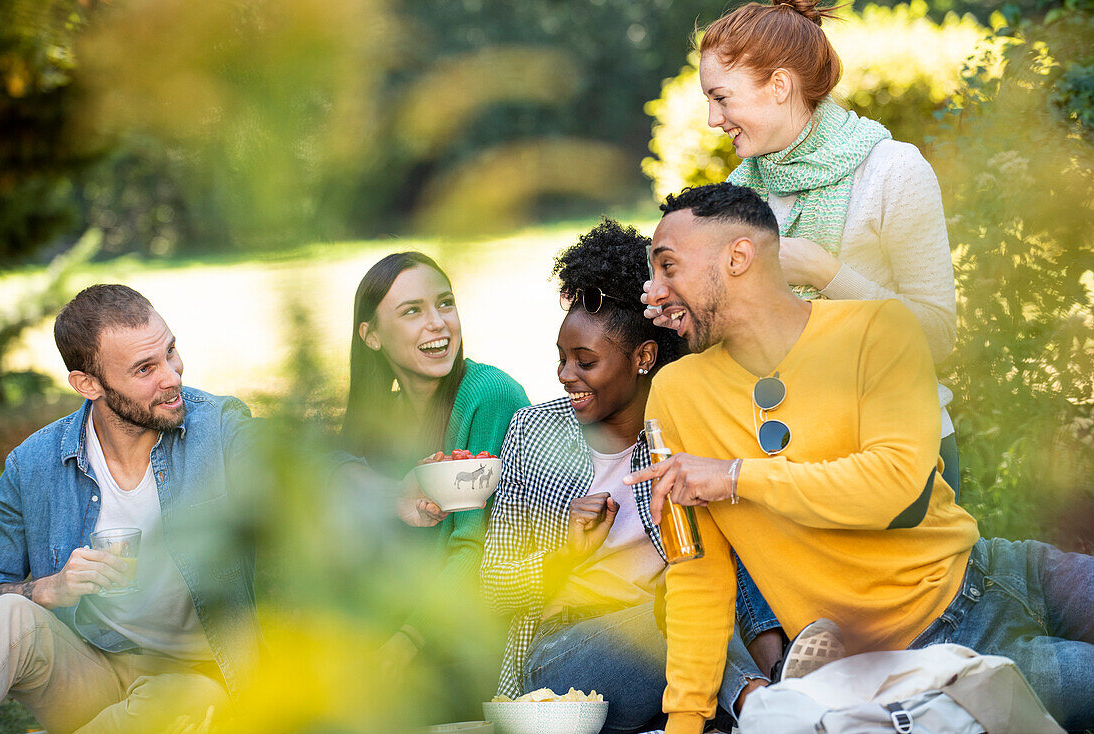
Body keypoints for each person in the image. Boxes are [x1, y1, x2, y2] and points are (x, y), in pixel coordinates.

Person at [627, 182, 1094, 733]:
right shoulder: (676, 394)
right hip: (907, 666)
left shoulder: (878, 330)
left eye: (667, 267)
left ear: (738, 257)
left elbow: (894, 483)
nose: (651, 292)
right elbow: (697, 572)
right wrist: (685, 722)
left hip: (993, 578)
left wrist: (734, 476)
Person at [481, 219, 765, 734]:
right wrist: (565, 553)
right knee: (680, 611)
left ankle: (764, 698)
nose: (566, 375)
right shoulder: (533, 432)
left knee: (701, 596)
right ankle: (763, 700)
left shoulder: (686, 430)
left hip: (684, 643)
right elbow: (493, 587)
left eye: (584, 361)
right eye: (562, 359)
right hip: (569, 656)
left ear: (643, 357)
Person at [673, 0, 961, 493]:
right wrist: (686, 308)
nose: (711, 119)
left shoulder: (893, 171)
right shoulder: (741, 192)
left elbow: (937, 336)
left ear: (779, 86)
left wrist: (827, 274)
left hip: (894, 454)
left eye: (721, 98)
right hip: (780, 459)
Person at [0, 284, 260, 733]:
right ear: (88, 384)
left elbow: (293, 458)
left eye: (171, 350)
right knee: (9, 615)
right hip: (88, 669)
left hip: (196, 678)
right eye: (145, 368)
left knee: (183, 703)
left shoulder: (217, 427)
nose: (172, 376)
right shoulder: (32, 466)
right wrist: (46, 589)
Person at [339, 251, 529, 704]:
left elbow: (475, 546)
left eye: (445, 303)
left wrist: (403, 644)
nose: (439, 324)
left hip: (477, 632)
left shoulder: (488, 397)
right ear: (371, 336)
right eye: (412, 311)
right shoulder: (382, 418)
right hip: (412, 622)